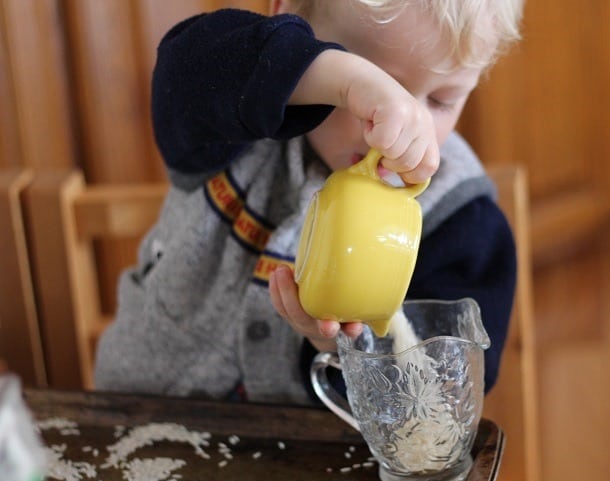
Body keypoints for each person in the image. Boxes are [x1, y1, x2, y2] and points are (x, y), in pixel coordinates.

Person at [94, 0, 523, 404]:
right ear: (289, 15)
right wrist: (334, 78)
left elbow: (440, 396)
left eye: (440, 101)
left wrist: (338, 350)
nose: (400, 128)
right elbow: (184, 67)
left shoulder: (462, 219)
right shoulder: (238, 118)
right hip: (140, 414)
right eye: (377, 85)